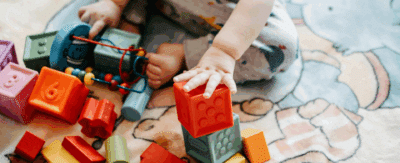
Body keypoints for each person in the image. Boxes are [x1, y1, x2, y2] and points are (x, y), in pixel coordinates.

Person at [78, 0, 298, 98]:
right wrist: (113, 3)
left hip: (233, 12)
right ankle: (132, 11)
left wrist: (222, 52)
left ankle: (181, 54)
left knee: (281, 48)